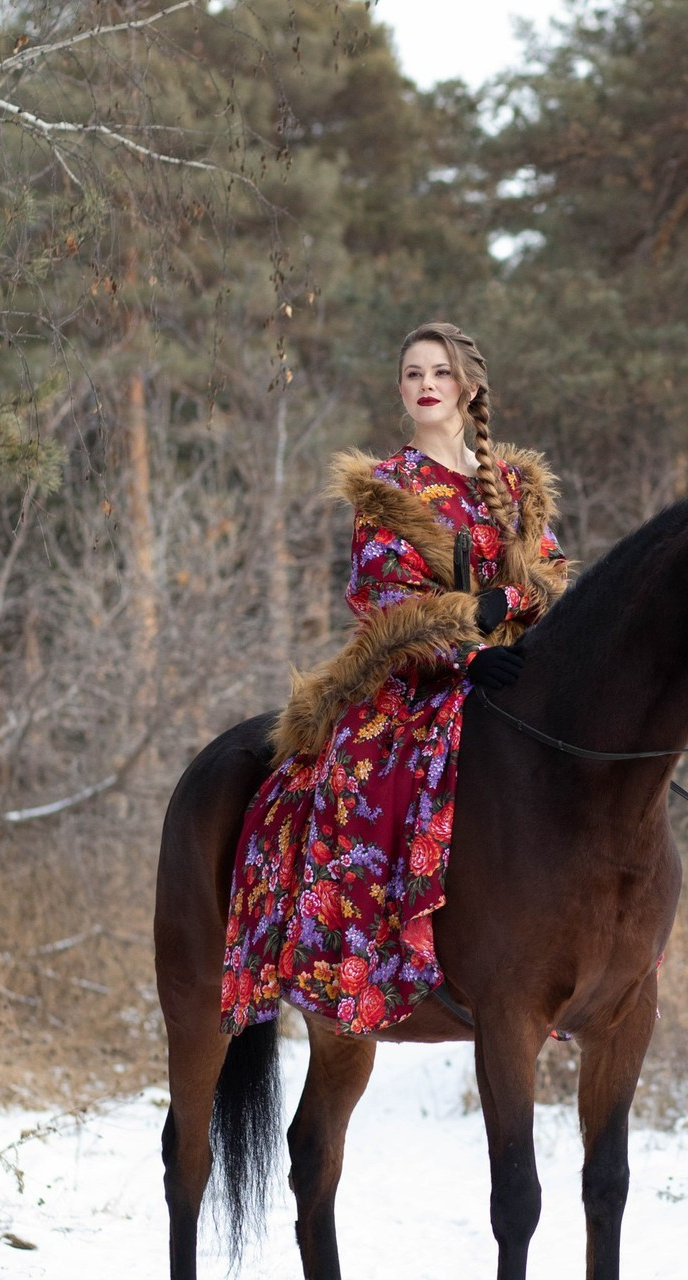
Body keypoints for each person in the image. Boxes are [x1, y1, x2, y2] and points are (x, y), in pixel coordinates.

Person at [220, 321, 568, 1036]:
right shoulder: (388, 487)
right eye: (413, 374)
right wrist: (467, 637)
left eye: (439, 372)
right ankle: (358, 964)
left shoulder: (511, 485)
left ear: (467, 386)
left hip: (515, 667)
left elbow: (553, 575)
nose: (426, 385)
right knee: (360, 783)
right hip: (417, 680)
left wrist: (512, 608)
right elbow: (384, 596)